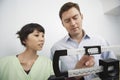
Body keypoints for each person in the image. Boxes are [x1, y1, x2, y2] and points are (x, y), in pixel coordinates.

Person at [50, 2, 116, 80]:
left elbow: (114, 68)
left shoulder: (100, 41)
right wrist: (75, 74)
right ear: (63, 24)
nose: (73, 23)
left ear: (81, 16)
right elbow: (54, 77)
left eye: (75, 18)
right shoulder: (56, 48)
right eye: (67, 21)